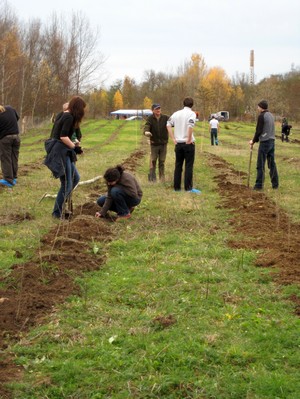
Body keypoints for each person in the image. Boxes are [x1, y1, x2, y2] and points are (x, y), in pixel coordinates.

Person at [44, 96, 86, 219]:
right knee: (67, 183)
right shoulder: (68, 117)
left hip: (64, 151)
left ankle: (61, 207)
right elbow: (62, 136)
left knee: (75, 178)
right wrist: (75, 147)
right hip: (60, 152)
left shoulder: (62, 114)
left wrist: (74, 144)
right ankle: (57, 213)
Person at [167, 97, 201, 193]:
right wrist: (189, 139)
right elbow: (190, 126)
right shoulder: (192, 114)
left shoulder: (176, 113)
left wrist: (173, 138)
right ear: (192, 104)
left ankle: (176, 188)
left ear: (183, 104)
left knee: (178, 165)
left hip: (178, 144)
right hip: (188, 144)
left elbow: (168, 124)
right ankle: (188, 188)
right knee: (189, 166)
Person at [249, 100, 279, 190]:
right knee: (271, 164)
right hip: (272, 141)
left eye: (258, 106)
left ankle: (258, 185)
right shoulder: (271, 115)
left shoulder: (261, 116)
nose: (257, 108)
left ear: (261, 107)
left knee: (260, 164)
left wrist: (253, 141)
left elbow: (259, 130)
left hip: (265, 142)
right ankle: (275, 184)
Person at [143, 103, 169, 182]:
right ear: (153, 110)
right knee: (153, 161)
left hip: (163, 143)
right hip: (154, 144)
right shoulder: (150, 119)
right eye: (156, 109)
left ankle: (162, 178)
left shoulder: (165, 118)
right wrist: (146, 132)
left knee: (162, 161)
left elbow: (172, 123)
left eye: (159, 108)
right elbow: (147, 126)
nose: (158, 110)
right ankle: (152, 178)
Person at [0, 104, 20, 188]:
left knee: (6, 159)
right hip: (16, 137)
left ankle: (8, 180)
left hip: (5, 139)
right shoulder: (10, 108)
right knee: (14, 158)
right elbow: (17, 118)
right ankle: (14, 178)